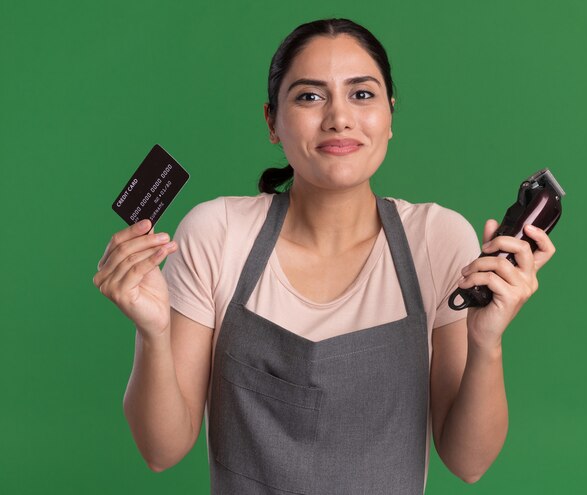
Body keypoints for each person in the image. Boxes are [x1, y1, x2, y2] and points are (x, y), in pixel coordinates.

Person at [93, 18, 556, 495]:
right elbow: (160, 450)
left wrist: (486, 343)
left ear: (390, 115)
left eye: (362, 95)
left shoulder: (437, 240)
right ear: (272, 121)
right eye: (310, 96)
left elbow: (469, 462)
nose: (339, 117)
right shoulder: (218, 233)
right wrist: (153, 332)